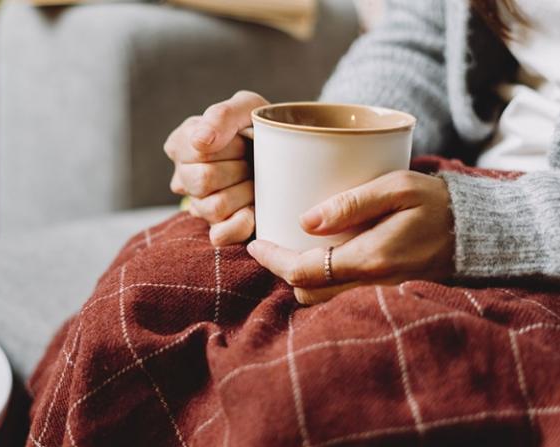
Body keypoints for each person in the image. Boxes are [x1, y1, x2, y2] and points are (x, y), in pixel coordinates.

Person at [164, 0, 560, 305]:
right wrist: (312, 147)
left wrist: (482, 229)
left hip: (519, 235)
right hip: (453, 187)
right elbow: (425, 36)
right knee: (159, 279)